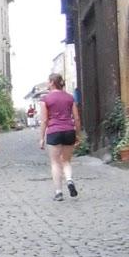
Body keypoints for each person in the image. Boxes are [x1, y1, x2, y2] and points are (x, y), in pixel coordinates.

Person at [39, 72, 82, 200]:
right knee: (66, 161)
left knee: (55, 163)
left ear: (52, 82)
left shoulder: (45, 99)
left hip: (54, 131)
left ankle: (58, 192)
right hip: (69, 131)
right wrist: (78, 134)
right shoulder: (70, 98)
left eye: (48, 81)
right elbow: (77, 118)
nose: (47, 83)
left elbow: (44, 120)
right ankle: (69, 180)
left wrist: (41, 138)